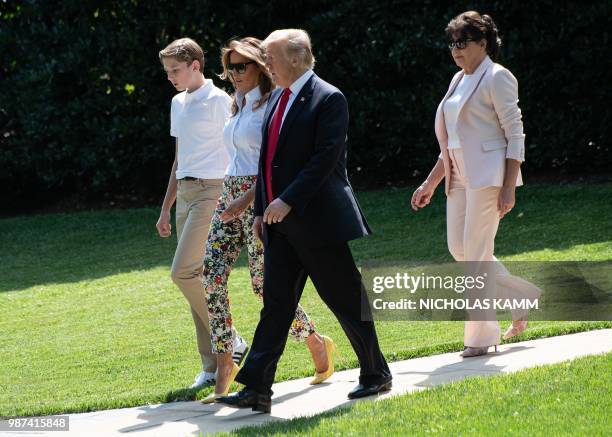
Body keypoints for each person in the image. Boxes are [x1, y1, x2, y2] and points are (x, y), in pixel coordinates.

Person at [216, 29, 392, 413]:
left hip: (318, 222)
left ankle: (375, 373)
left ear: (295, 59)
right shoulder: (278, 98)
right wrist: (263, 209)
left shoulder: (329, 99)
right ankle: (257, 388)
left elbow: (324, 161)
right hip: (280, 224)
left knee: (345, 299)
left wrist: (286, 201)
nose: (266, 65)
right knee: (276, 305)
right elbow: (268, 164)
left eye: (271, 58)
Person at [200, 37, 336, 404]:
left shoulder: (273, 104)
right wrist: (230, 196)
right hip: (230, 193)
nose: (234, 74)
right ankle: (226, 357)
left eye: (241, 66)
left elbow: (274, 162)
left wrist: (248, 201)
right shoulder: (237, 104)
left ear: (261, 65)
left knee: (265, 287)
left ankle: (314, 340)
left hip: (259, 196)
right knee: (209, 275)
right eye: (229, 67)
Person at [411, 11, 541, 357]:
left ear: (483, 44)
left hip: (488, 179)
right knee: (462, 250)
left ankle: (481, 338)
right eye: (453, 43)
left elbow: (515, 135)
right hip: (458, 178)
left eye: (463, 42)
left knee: (476, 259)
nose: (456, 49)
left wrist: (509, 186)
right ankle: (521, 294)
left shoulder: (498, 77)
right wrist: (430, 184)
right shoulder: (457, 80)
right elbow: (452, 143)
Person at [156, 38, 248, 388]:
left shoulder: (219, 101)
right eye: (167, 72)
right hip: (187, 193)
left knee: (182, 273)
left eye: (175, 70)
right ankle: (211, 365)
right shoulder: (177, 103)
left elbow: (237, 146)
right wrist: (166, 207)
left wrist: (234, 197)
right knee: (195, 275)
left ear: (196, 65)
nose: (171, 77)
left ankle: (232, 338)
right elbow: (179, 159)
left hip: (213, 191)